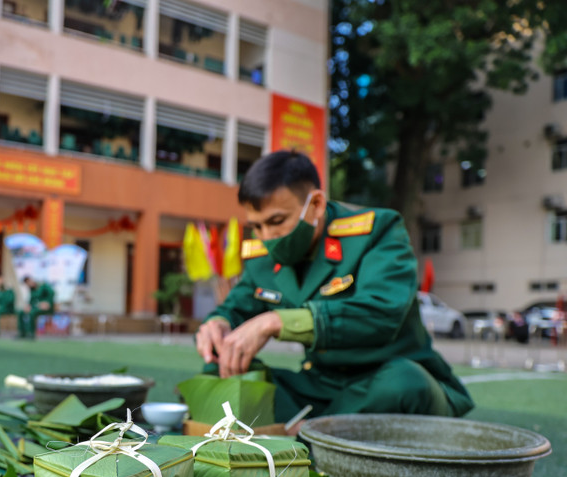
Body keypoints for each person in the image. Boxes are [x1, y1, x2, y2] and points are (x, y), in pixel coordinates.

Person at [195, 150, 473, 427]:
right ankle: (318, 433)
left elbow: (380, 314)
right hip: (319, 387)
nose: (267, 237)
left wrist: (274, 321)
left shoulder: (379, 233)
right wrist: (218, 325)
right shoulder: (264, 258)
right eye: (256, 226)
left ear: (316, 203)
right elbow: (235, 307)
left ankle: (307, 436)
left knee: (402, 384)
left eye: (277, 221)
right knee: (219, 372)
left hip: (387, 377)